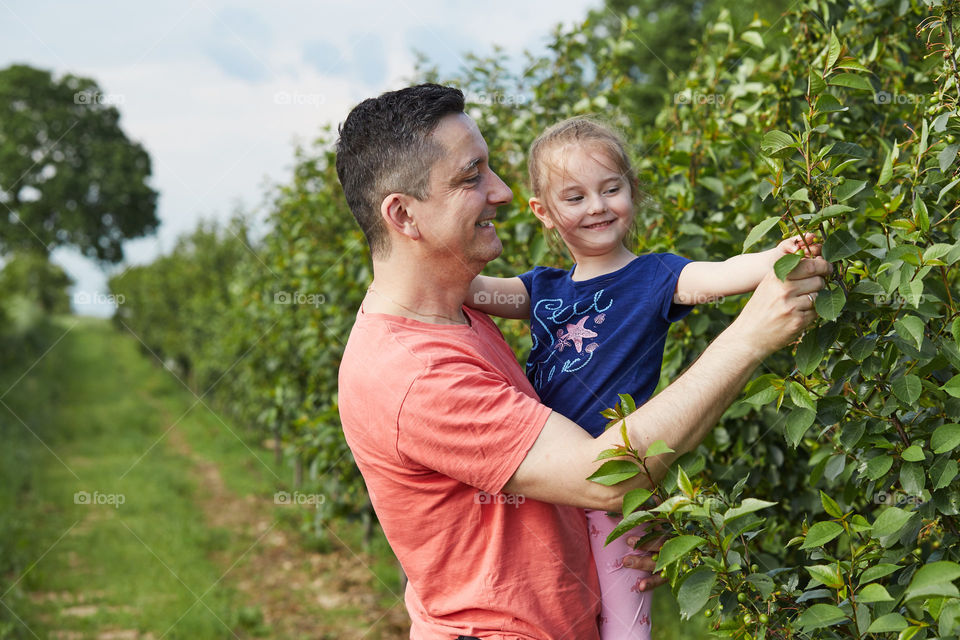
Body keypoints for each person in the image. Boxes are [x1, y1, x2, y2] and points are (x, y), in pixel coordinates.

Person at [335, 83, 831, 640]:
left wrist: (626, 519)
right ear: (402, 214)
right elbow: (602, 478)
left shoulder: (460, 315)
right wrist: (750, 337)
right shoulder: (415, 373)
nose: (499, 191)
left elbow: (563, 475)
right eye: (471, 175)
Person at [465, 116, 821, 640]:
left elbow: (721, 273)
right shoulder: (540, 289)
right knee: (555, 611)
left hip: (613, 479)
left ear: (631, 189)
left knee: (623, 620)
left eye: (612, 189)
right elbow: (469, 289)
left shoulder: (657, 276)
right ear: (543, 212)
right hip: (548, 477)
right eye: (575, 197)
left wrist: (777, 257)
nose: (598, 206)